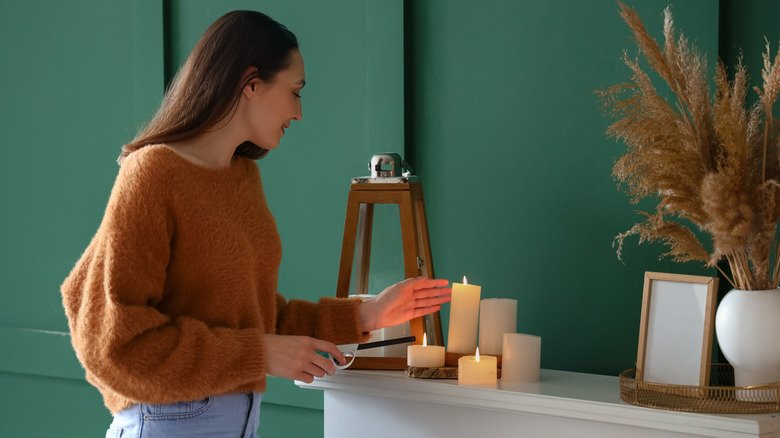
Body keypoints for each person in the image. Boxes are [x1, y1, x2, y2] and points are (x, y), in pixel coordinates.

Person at [60, 10, 451, 438]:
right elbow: (116, 345)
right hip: (166, 424)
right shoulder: (152, 173)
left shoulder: (242, 176)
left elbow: (256, 316)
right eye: (295, 92)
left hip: (237, 424)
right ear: (251, 84)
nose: (299, 112)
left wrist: (367, 313)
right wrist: (258, 354)